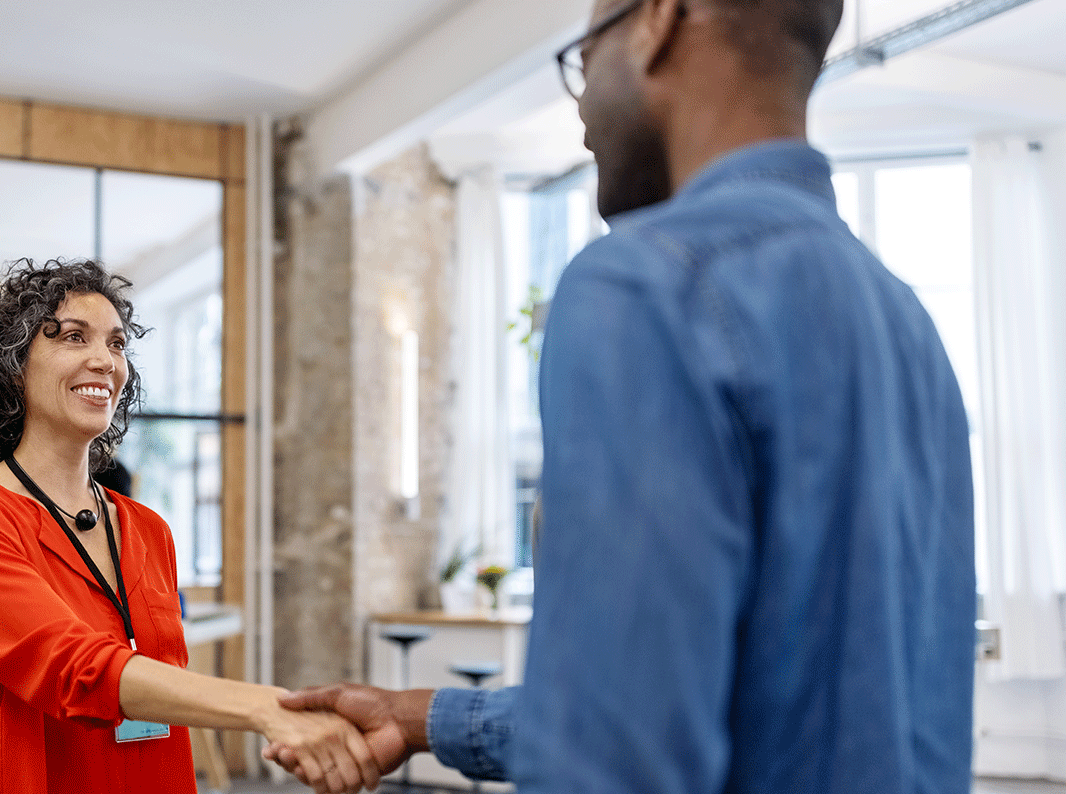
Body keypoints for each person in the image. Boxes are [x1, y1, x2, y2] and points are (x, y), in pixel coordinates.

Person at [269, 0, 976, 792]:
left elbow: (614, 760)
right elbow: (764, 700)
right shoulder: (910, 326)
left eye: (584, 51)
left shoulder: (649, 283)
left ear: (658, 21)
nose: (580, 108)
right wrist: (422, 716)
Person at [0, 257, 378, 794]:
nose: (104, 361)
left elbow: (159, 683)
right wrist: (266, 708)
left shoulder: (147, 529)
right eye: (74, 337)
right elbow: (71, 667)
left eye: (116, 344)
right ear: (13, 366)